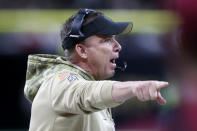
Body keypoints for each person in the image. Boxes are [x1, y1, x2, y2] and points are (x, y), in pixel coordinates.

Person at [24, 8, 168, 131]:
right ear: (82, 51)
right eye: (106, 40)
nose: (118, 46)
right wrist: (133, 87)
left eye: (115, 39)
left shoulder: (92, 90)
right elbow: (82, 93)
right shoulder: (59, 79)